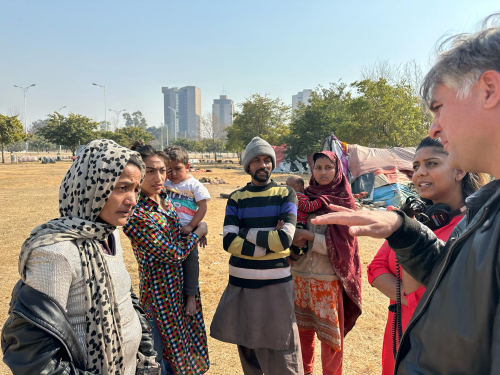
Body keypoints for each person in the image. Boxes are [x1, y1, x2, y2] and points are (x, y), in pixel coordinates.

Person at [311, 18, 500, 374]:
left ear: (489, 89)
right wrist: (403, 230)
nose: (434, 127)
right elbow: (461, 287)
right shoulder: (488, 207)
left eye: (439, 107)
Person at [1, 139, 160, 375]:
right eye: (122, 188)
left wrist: (146, 360)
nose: (132, 200)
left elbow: (125, 301)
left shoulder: (110, 234)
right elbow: (31, 354)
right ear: (92, 187)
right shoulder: (56, 254)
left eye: (136, 189)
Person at [367, 137, 487, 375]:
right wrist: (404, 295)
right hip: (398, 338)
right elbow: (376, 268)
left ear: (459, 170)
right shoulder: (411, 220)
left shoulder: (476, 227)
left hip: (439, 350)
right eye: (415, 167)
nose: (419, 173)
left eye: (431, 164)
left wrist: (410, 289)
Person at [210, 136, 302, 375]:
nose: (263, 165)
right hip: (242, 285)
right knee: (248, 346)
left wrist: (245, 231)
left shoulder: (286, 194)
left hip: (276, 284)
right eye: (256, 161)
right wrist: (268, 239)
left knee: (283, 347)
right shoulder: (236, 197)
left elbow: (285, 240)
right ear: (248, 165)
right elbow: (228, 242)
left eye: (266, 160)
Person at [123, 142, 209, 375]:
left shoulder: (166, 201)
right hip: (159, 298)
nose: (159, 177)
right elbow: (172, 254)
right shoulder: (136, 214)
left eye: (162, 170)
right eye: (150, 171)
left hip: (181, 291)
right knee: (157, 359)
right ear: (137, 174)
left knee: (186, 354)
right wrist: (198, 233)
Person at [291, 151, 361, 375]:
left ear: (337, 169)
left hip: (328, 279)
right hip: (299, 275)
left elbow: (346, 246)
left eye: (328, 167)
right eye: (318, 167)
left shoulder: (344, 201)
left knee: (330, 338)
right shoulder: (304, 196)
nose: (322, 172)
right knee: (302, 332)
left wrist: (309, 236)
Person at [163, 145, 211, 316]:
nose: (173, 174)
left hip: (187, 232)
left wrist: (194, 227)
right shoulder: (164, 183)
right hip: (168, 232)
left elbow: (203, 207)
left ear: (188, 167)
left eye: (178, 169)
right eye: (169, 170)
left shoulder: (194, 185)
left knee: (191, 263)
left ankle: (190, 295)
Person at [286, 175, 324, 258]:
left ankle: (291, 257)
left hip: (289, 223)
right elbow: (309, 207)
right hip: (299, 224)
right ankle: (295, 255)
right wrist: (321, 201)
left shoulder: (286, 197)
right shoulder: (298, 197)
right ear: (302, 188)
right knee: (301, 244)